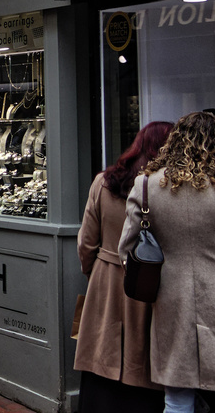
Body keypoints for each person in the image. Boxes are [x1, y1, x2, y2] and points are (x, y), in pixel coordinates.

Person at [119, 112, 215, 413]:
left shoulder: (146, 185)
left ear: (174, 141)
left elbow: (127, 251)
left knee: (176, 399)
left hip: (170, 298)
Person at [75, 121, 171, 412]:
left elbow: (86, 243)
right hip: (148, 283)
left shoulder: (103, 182)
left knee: (102, 354)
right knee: (140, 359)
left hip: (105, 280)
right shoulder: (166, 189)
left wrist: (96, 274)